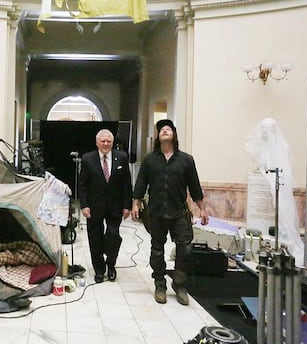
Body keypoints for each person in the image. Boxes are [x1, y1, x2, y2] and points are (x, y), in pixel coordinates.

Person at [132, 119, 209, 305]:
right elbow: (141, 183)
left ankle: (179, 284)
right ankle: (160, 284)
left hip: (179, 213)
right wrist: (136, 204)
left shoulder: (186, 160)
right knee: (157, 251)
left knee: (186, 249)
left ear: (174, 134)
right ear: (158, 137)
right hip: (156, 213)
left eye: (168, 129)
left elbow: (195, 186)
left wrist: (203, 209)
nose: (165, 131)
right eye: (161, 130)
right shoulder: (150, 160)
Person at [244, 117, 304, 265]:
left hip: (277, 183)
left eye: (268, 129)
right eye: (263, 128)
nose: (265, 132)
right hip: (264, 180)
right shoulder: (258, 146)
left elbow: (284, 170)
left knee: (282, 213)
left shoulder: (283, 146)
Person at [78, 129, 132, 283]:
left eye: (109, 141)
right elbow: (83, 185)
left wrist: (127, 204)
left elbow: (126, 183)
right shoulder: (87, 158)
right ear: (97, 142)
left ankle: (111, 264)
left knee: (113, 236)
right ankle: (99, 270)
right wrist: (84, 205)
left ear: (112, 142)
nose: (106, 143)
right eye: (103, 141)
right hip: (94, 205)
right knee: (95, 239)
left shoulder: (121, 157)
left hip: (115, 205)